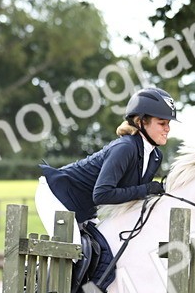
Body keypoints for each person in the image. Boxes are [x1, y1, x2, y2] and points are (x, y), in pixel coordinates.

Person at [36, 86, 176, 232]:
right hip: (56, 194)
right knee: (75, 250)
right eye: (161, 123)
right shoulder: (125, 148)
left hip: (85, 208)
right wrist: (146, 189)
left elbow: (134, 198)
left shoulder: (156, 156)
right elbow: (102, 195)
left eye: (168, 123)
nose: (167, 129)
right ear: (141, 122)